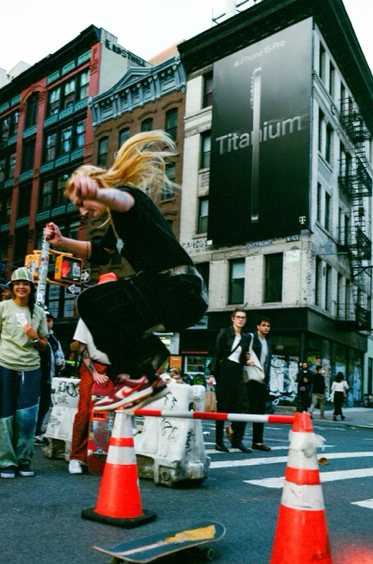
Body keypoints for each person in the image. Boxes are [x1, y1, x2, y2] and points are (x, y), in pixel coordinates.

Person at [44, 130, 208, 411]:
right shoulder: (115, 227)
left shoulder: (127, 199)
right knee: (106, 307)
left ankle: (138, 375)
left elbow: (123, 200)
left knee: (91, 301)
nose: (82, 212)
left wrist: (98, 192)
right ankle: (149, 371)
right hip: (168, 296)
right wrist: (61, 242)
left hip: (178, 290)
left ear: (96, 187)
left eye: (82, 203)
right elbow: (99, 254)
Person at [0, 267, 48, 479]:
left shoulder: (38, 312)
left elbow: (44, 345)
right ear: (12, 287)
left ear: (31, 288)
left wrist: (33, 337)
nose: (21, 287)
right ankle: (6, 463)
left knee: (27, 417)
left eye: (26, 284)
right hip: (5, 366)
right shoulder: (2, 307)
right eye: (17, 284)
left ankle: (24, 460)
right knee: (4, 416)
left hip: (31, 370)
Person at [68, 272, 117, 475]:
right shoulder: (89, 314)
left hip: (114, 368)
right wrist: (94, 373)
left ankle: (101, 454)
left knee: (111, 413)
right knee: (85, 410)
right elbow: (82, 347)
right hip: (93, 366)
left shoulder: (120, 315)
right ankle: (77, 457)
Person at [207, 308, 252, 453]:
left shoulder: (245, 338)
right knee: (222, 408)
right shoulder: (224, 333)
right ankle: (219, 442)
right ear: (233, 318)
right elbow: (217, 353)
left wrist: (247, 362)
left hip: (237, 372)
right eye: (238, 317)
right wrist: (212, 374)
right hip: (224, 371)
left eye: (243, 317)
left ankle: (236, 439)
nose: (241, 320)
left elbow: (242, 357)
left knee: (243, 405)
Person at [35, 312, 65, 437]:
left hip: (50, 377)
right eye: (44, 320)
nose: (47, 323)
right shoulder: (36, 336)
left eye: (49, 320)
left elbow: (60, 355)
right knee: (33, 404)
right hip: (37, 376)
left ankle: (38, 427)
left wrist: (61, 363)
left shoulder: (54, 339)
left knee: (45, 404)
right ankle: (31, 428)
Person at [246, 316, 272, 451]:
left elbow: (267, 363)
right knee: (246, 408)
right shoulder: (250, 338)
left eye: (268, 326)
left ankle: (257, 441)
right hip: (250, 378)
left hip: (262, 380)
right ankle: (235, 433)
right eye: (263, 325)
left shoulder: (268, 342)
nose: (266, 328)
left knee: (260, 411)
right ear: (258, 326)